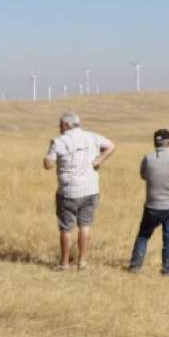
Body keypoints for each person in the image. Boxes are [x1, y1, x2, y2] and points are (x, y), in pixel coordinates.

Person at [44, 112, 116, 270]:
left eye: (61, 125)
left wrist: (49, 157)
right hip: (91, 189)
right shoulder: (92, 137)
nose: (59, 128)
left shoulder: (59, 141)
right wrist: (99, 160)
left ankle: (64, 263)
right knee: (85, 226)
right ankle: (82, 262)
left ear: (67, 125)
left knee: (66, 228)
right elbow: (111, 146)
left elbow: (48, 165)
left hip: (68, 191)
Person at [128, 128, 169, 275]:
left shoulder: (148, 158)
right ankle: (168, 270)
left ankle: (135, 266)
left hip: (153, 206)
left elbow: (143, 175)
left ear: (155, 142)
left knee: (143, 236)